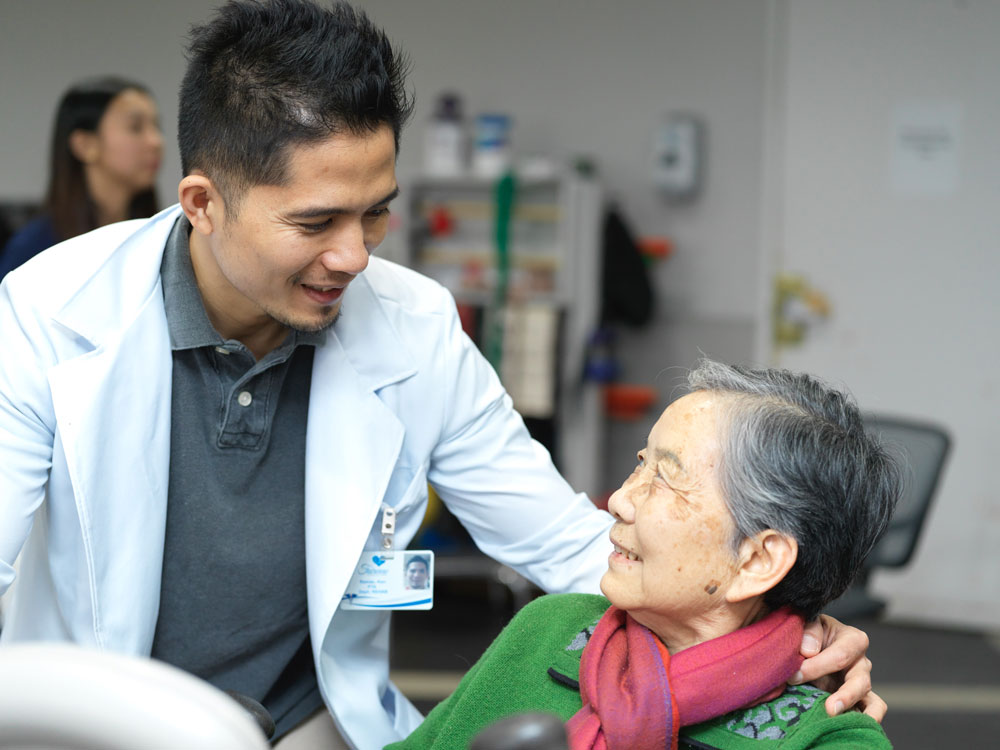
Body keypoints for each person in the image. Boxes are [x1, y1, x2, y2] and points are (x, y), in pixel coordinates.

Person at [0, 2, 881, 748]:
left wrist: (781, 629)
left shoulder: (412, 327)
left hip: (308, 721)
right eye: (316, 222)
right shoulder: (51, 314)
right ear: (202, 203)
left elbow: (564, 541)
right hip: (102, 713)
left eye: (376, 213)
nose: (353, 256)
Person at [389, 360, 900, 750]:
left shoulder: (827, 738)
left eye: (666, 478)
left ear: (757, 561)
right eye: (641, 464)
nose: (618, 500)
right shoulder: (547, 629)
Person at [0, 76, 162, 279]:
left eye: (156, 127)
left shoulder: (160, 237)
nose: (156, 141)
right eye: (135, 127)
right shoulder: (34, 250)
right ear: (84, 145)